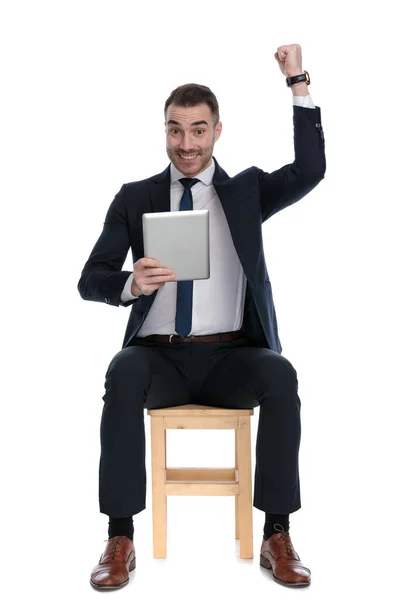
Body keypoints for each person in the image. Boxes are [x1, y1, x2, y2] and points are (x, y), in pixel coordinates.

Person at [78, 43, 326, 590]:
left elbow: (312, 168)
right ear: (163, 131)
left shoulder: (246, 193)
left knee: (281, 376)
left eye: (197, 130)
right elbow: (89, 278)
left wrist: (298, 82)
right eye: (174, 130)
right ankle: (120, 536)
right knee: (122, 371)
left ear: (217, 131)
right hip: (158, 357)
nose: (185, 144)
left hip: (231, 358)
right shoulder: (135, 196)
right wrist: (128, 284)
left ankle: (277, 532)